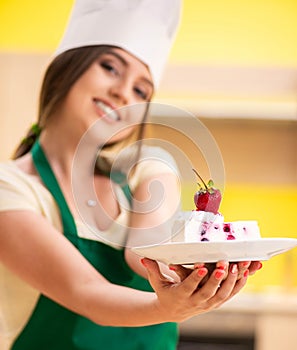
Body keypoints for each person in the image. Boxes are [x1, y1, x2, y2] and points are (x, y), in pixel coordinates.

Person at [0, 1, 262, 349]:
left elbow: (143, 253)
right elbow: (88, 294)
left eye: (141, 90)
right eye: (110, 67)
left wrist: (192, 276)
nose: (123, 92)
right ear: (67, 66)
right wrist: (166, 306)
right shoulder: (11, 189)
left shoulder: (147, 173)